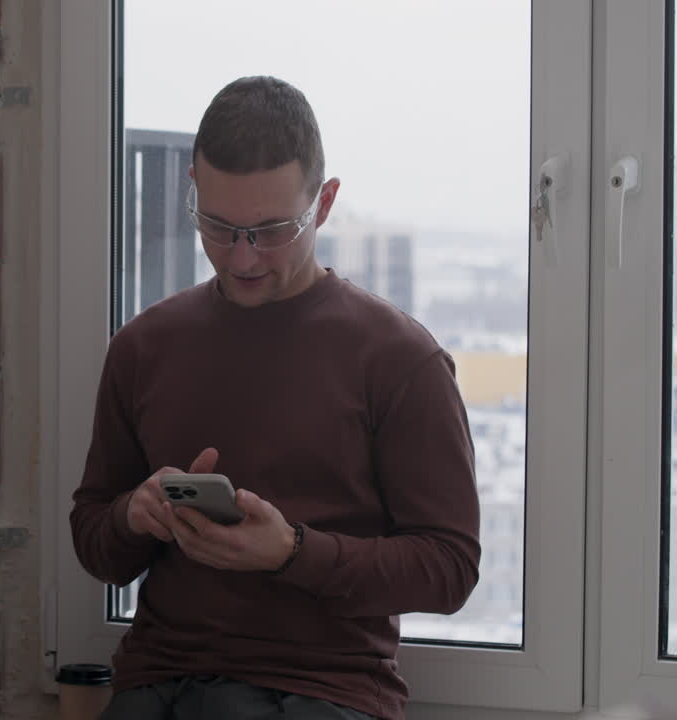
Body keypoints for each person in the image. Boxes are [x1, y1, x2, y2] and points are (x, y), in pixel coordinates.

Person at [69, 76, 480, 720]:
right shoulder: (143, 347)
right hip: (162, 680)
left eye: (270, 229)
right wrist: (134, 515)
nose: (241, 258)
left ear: (324, 203)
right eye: (217, 225)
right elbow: (95, 544)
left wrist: (291, 552)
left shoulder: (399, 357)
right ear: (193, 194)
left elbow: (450, 568)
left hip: (324, 689)